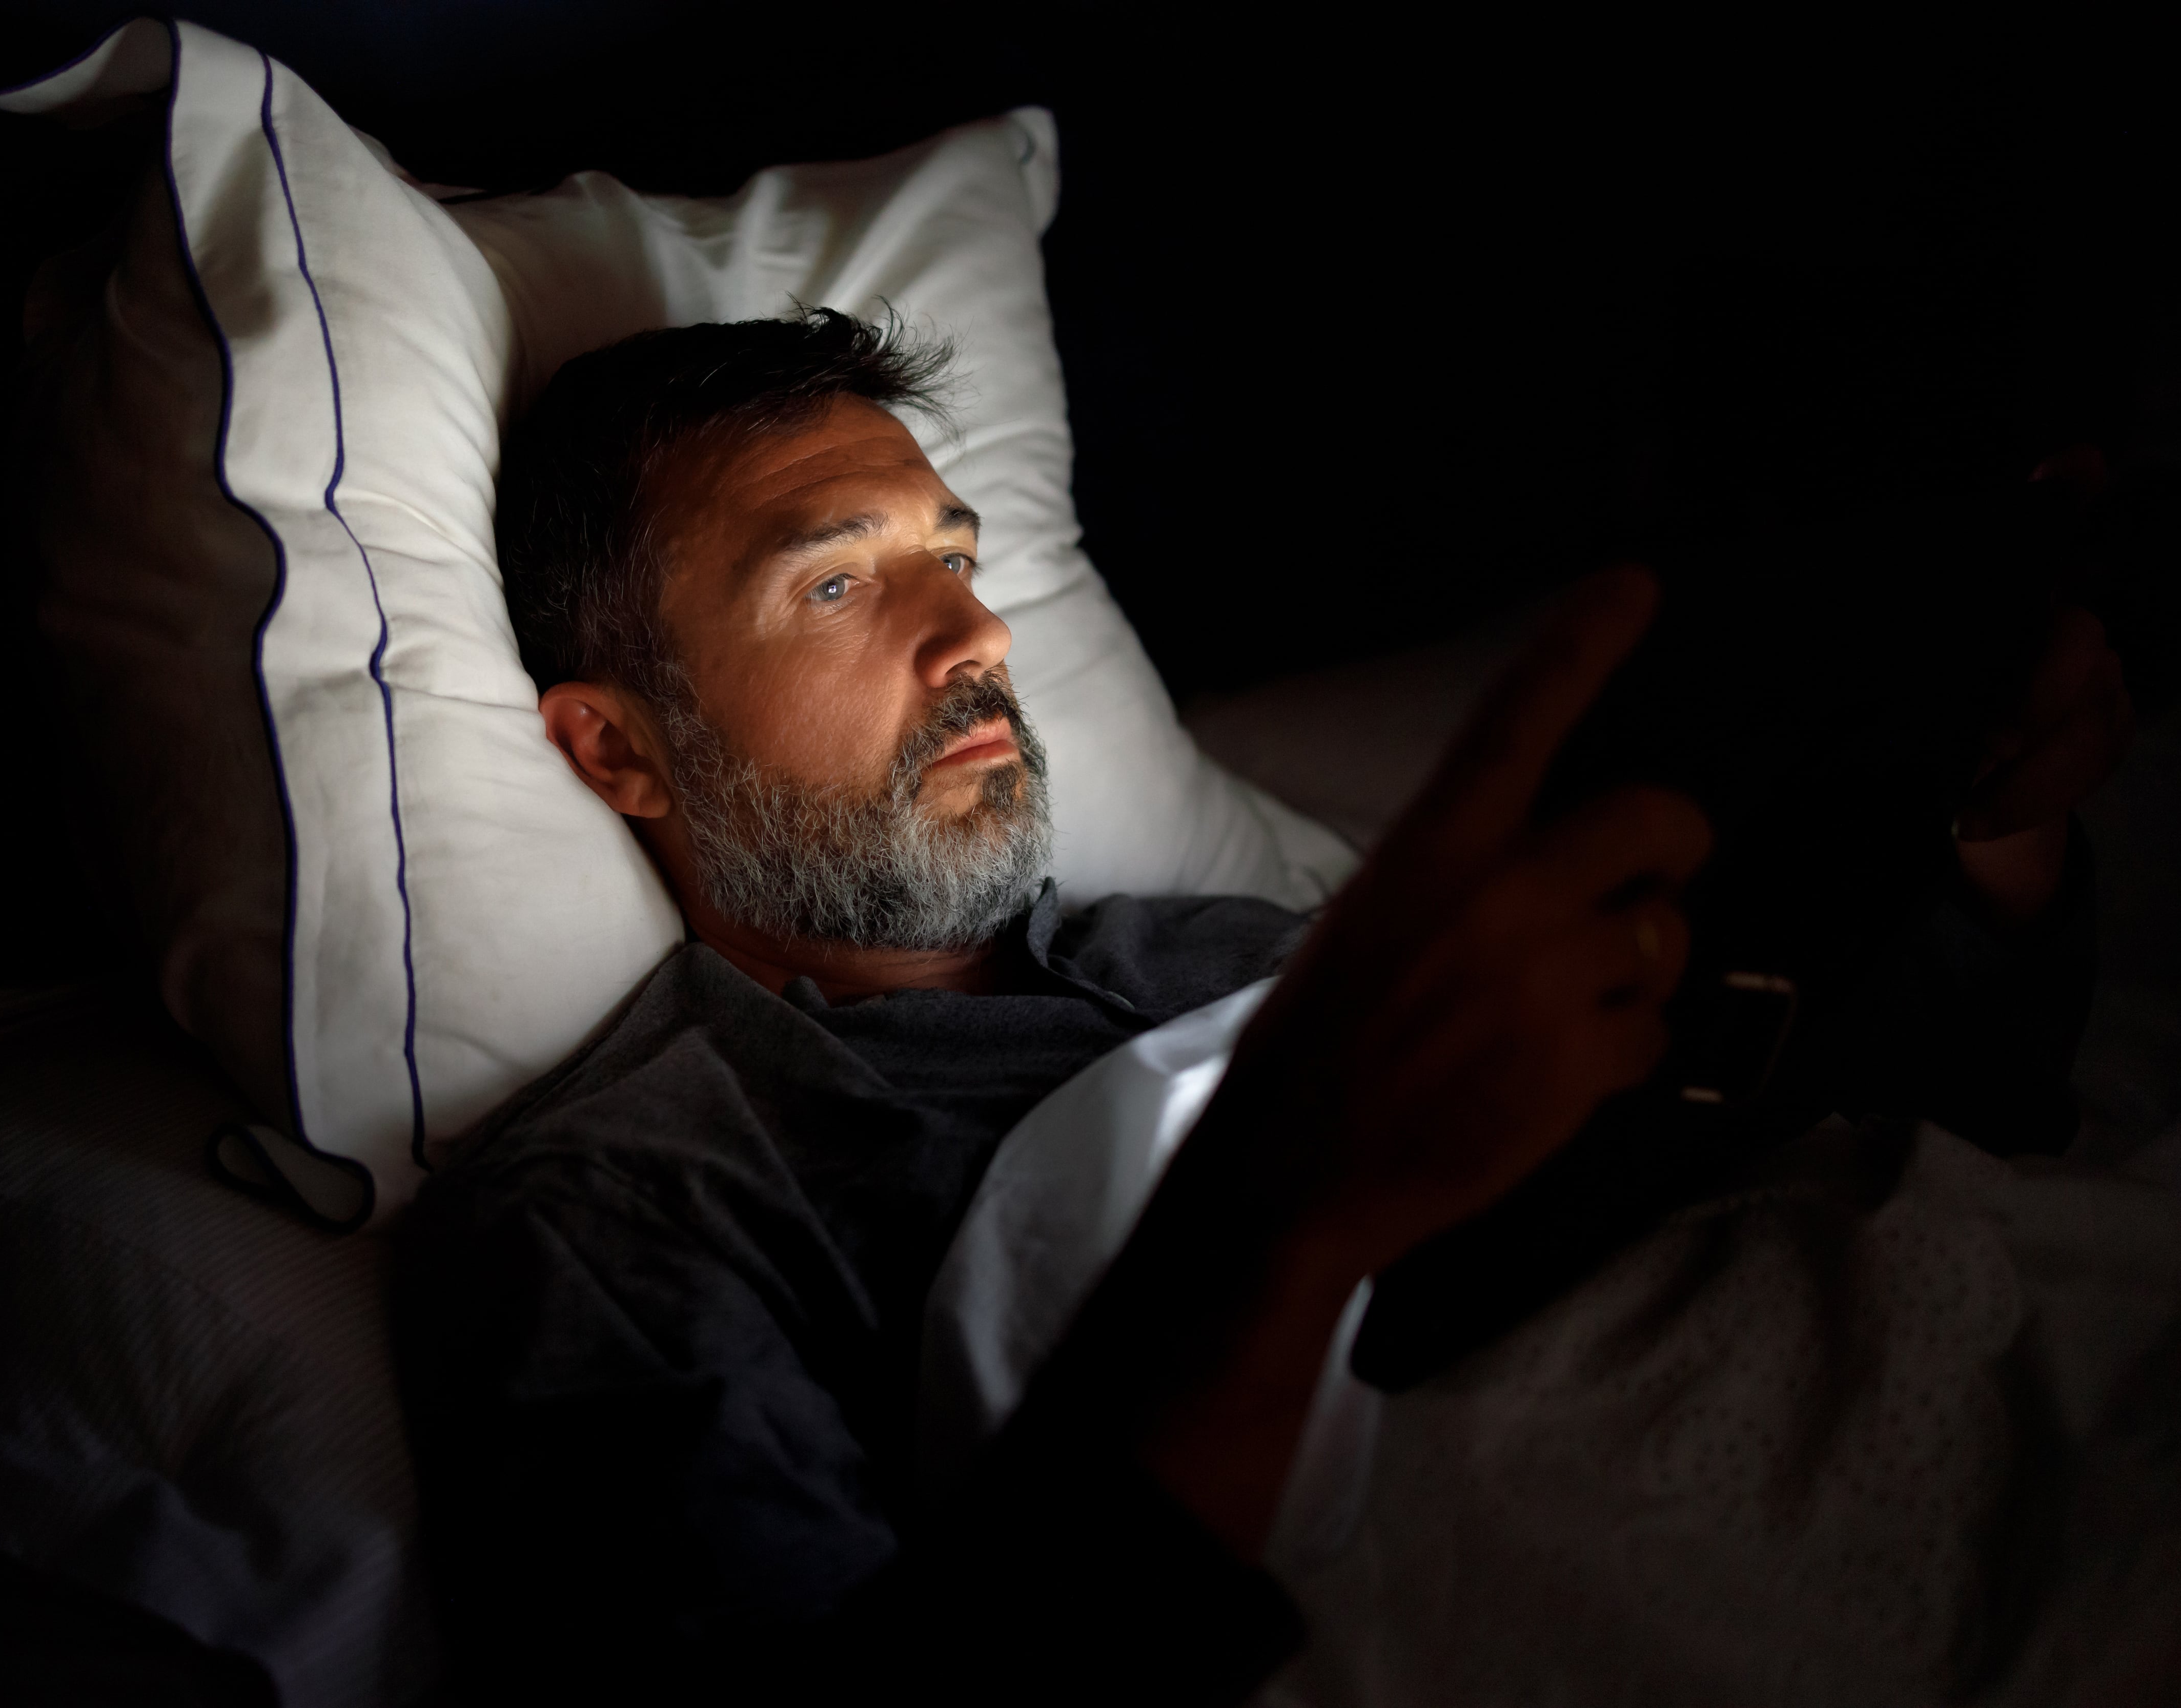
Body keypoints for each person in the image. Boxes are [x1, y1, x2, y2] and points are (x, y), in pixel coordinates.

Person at [392, 310, 2130, 1702]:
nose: (974, 633)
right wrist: (1282, 1224)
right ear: (618, 747)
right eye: (839, 583)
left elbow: (1878, 1147)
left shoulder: (1233, 954)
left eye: (956, 555)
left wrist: (1998, 822)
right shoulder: (639, 1200)